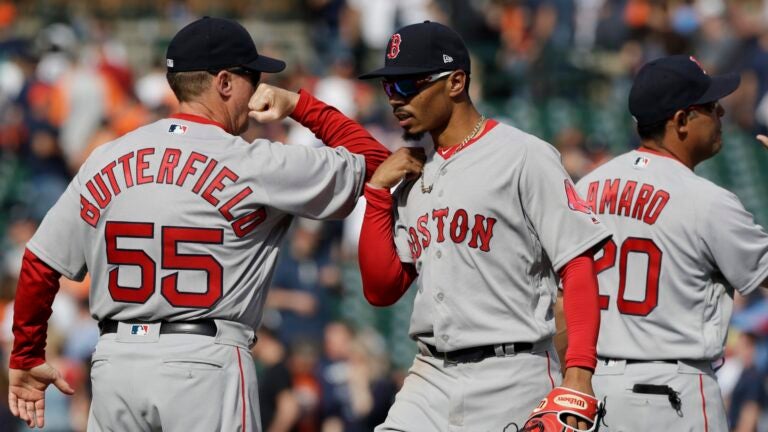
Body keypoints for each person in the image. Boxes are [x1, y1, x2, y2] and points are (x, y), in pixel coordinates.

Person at [7, 16, 389, 431]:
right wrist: (299, 104)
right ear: (224, 82)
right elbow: (378, 163)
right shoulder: (254, 162)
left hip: (116, 365)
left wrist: (26, 356)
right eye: (253, 75)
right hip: (204, 364)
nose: (259, 86)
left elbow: (40, 263)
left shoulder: (105, 157)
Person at [357, 21, 611, 431]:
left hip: (512, 374)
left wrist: (579, 374)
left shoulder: (523, 155)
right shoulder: (413, 172)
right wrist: (376, 195)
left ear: (455, 82)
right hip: (431, 375)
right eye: (389, 87)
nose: (395, 100)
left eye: (407, 85)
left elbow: (577, 263)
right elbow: (381, 289)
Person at [575, 54, 768, 431]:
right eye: (711, 107)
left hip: (596, 389)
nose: (721, 115)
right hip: (674, 395)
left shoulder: (587, 187)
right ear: (680, 121)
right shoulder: (708, 201)